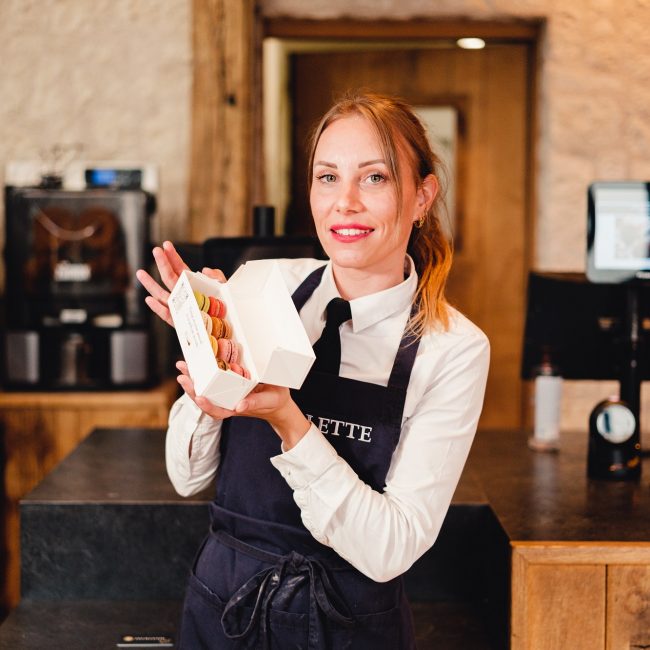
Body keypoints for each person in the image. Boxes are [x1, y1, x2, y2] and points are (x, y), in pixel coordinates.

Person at [136, 90, 490, 649]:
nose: (345, 202)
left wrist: (288, 420)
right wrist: (212, 362)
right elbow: (186, 479)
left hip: (348, 624)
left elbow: (390, 549)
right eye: (328, 177)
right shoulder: (264, 284)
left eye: (374, 178)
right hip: (224, 603)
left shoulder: (452, 348)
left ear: (422, 197)